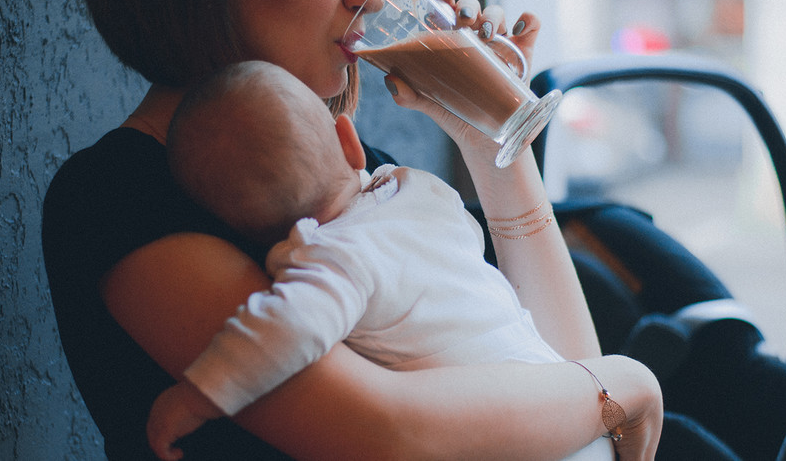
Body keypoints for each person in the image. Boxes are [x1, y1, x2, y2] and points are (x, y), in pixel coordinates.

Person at [42, 0, 661, 458]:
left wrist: (491, 144)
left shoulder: (346, 167)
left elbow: (553, 381)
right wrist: (622, 385)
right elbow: (386, 434)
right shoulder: (118, 195)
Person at [144, 59, 613, 461]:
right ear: (349, 142)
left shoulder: (332, 260)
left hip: (517, 439)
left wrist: (198, 397)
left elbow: (289, 327)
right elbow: (468, 242)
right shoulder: (417, 189)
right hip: (567, 408)